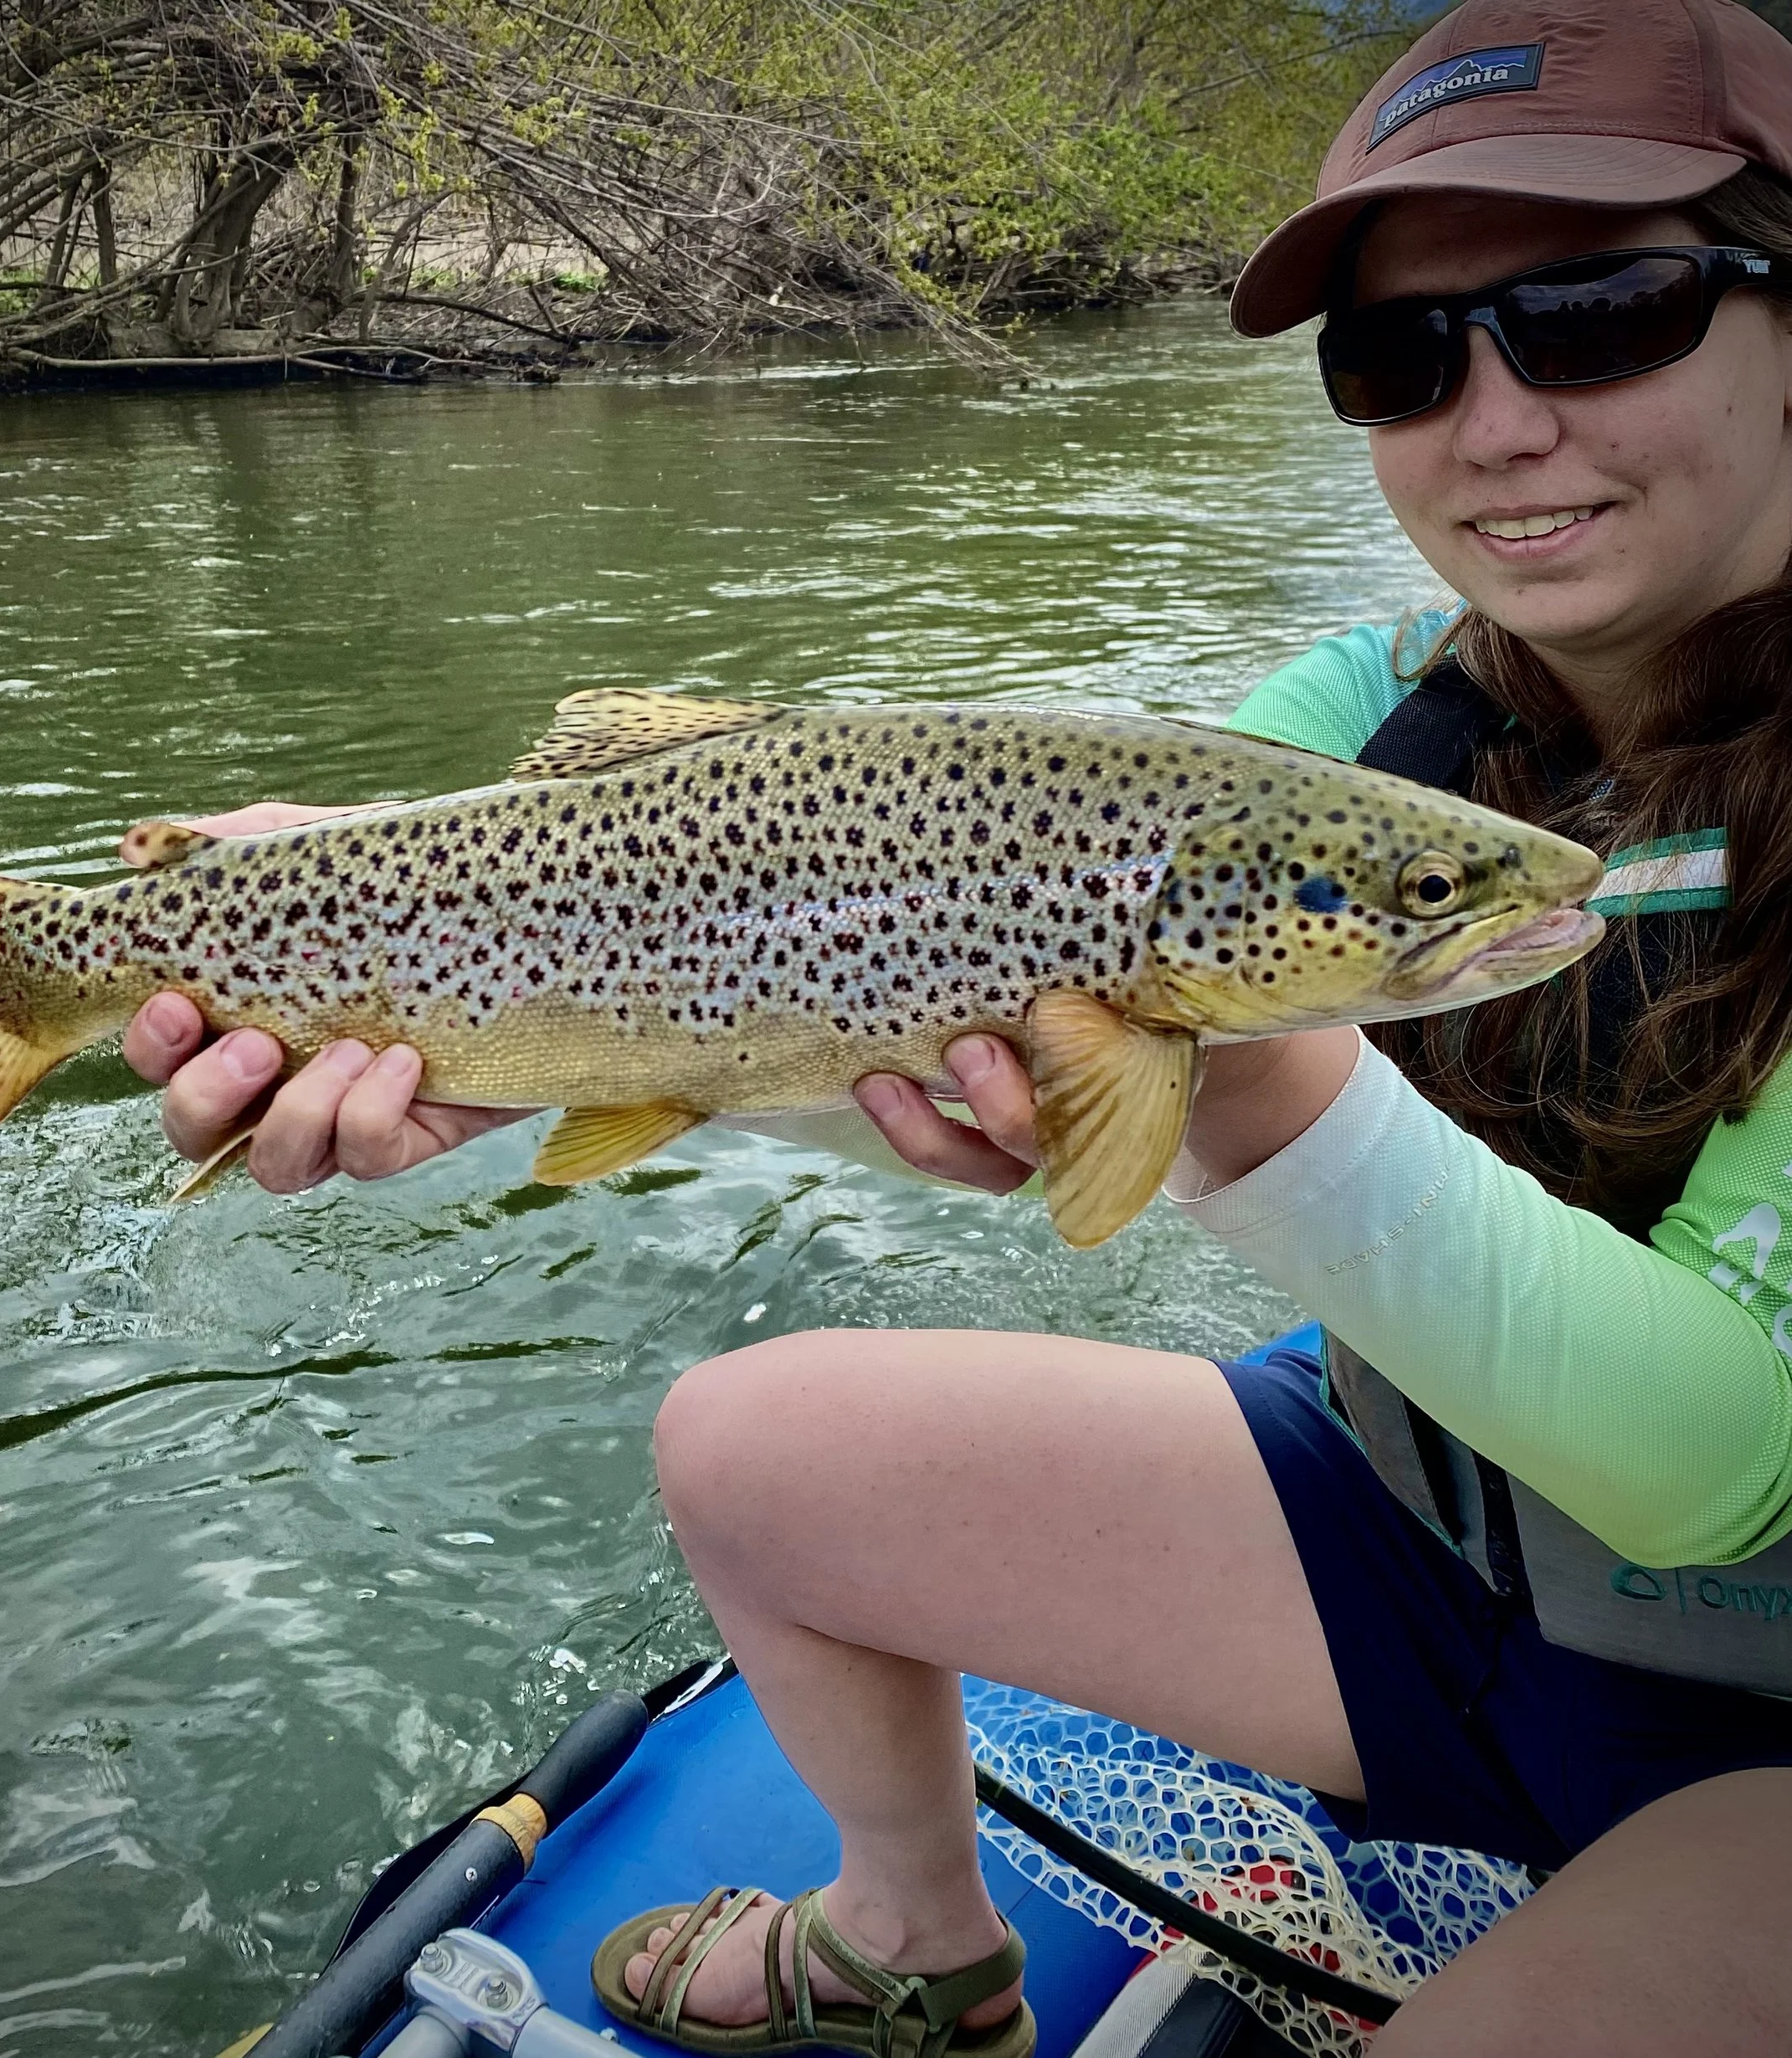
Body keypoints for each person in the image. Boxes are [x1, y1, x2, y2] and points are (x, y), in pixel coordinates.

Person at [126, 3, 1792, 2047]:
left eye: (1600, 312)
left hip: (1762, 1707)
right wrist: (475, 999)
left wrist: (1241, 1076)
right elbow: (890, 977)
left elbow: (1723, 1477)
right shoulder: (1357, 732)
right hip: (1423, 1540)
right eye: (1397, 355)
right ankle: (908, 1942)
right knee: (751, 1447)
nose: (1495, 421)